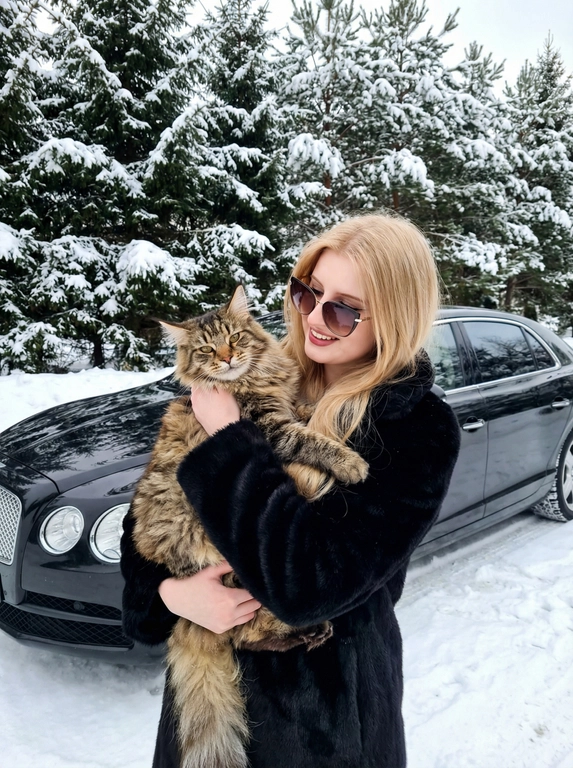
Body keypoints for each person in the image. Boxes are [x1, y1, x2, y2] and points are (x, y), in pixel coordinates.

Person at [120, 213, 461, 768]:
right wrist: (168, 596)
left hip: (326, 717)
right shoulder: (255, 375)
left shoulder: (414, 427)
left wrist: (230, 440)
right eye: (309, 293)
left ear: (395, 317)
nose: (316, 319)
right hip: (206, 684)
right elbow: (152, 521)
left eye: (344, 309)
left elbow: (307, 584)